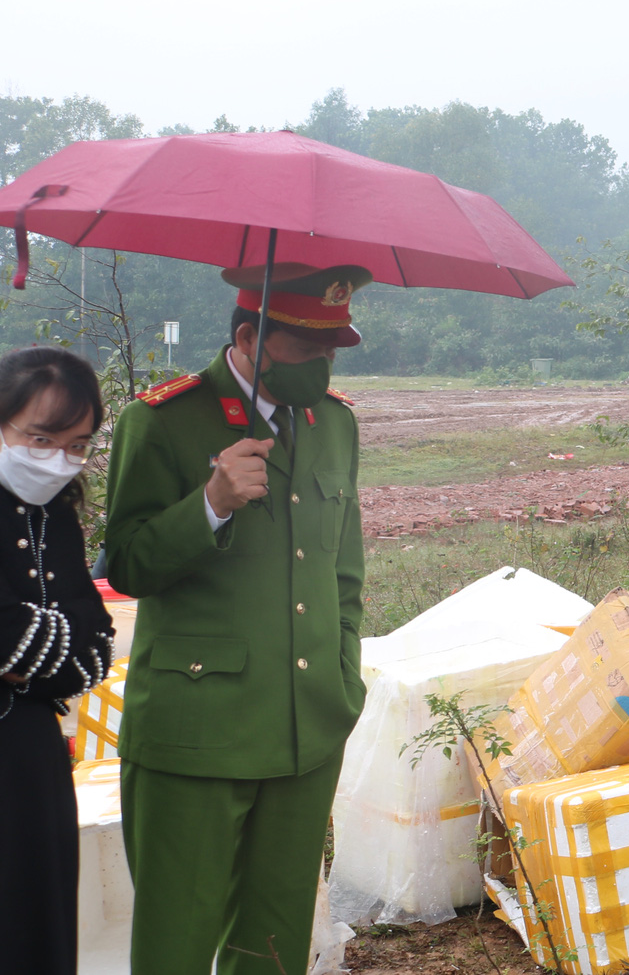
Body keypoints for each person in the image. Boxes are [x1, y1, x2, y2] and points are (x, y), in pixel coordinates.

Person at [104, 265, 371, 975]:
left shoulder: (334, 424)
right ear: (249, 336)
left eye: (332, 349)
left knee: (275, 941)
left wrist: (344, 677)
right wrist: (211, 503)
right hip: (198, 732)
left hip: (306, 726)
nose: (323, 363)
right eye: (307, 347)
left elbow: (344, 575)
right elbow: (126, 562)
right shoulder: (162, 420)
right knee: (177, 941)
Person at [0, 347, 116, 975]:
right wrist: (47, 638)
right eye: (40, 438)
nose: (56, 460)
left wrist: (27, 651)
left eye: (76, 445)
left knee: (38, 927)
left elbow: (95, 648)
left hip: (32, 756)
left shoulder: (58, 513)